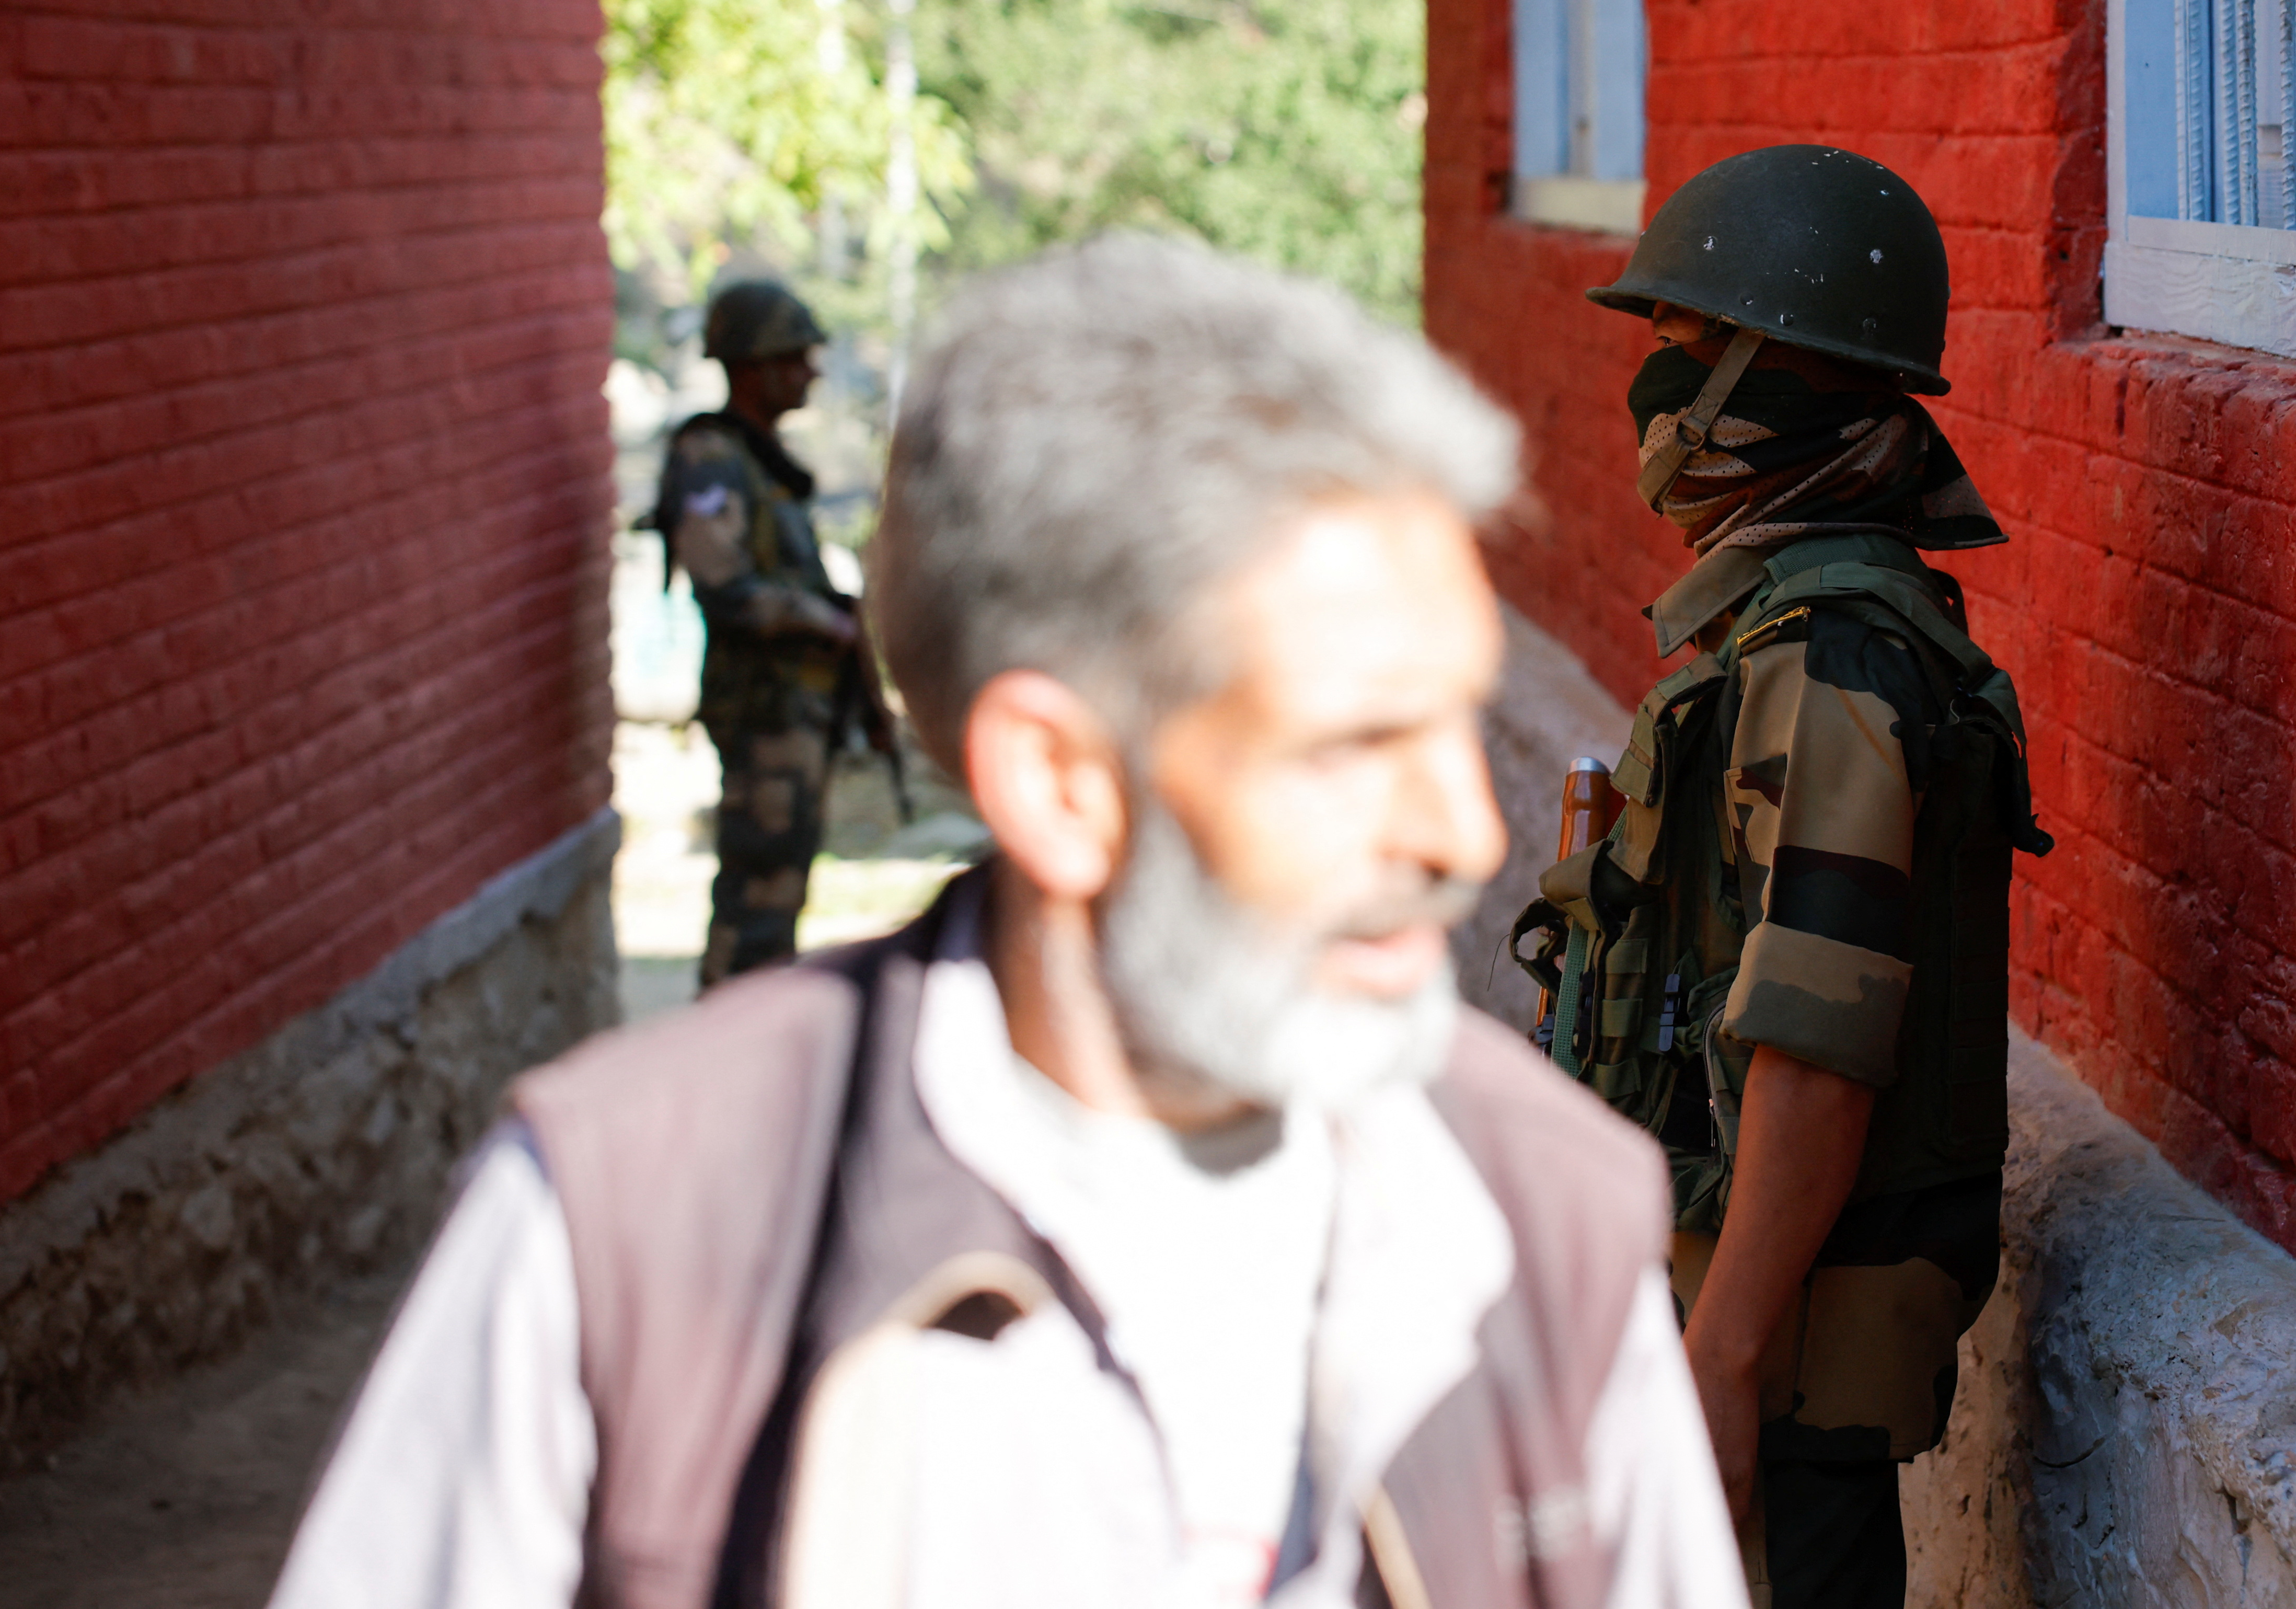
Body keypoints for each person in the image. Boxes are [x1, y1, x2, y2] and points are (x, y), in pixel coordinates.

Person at [270, 238, 1747, 1609]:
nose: (1463, 836)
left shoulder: (1542, 1218)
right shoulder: (626, 1225)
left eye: (1457, 722)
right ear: (1057, 783)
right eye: (1350, 746)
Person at [1524, 147, 2052, 1609]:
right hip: (1735, 1313)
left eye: (1688, 350)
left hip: (1777, 1352)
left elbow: (1815, 1044)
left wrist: (1722, 1360)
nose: (1653, 391)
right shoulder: (1789, 628)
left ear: (1788, 373)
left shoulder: (1831, 657)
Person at [652, 280, 873, 984]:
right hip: (762, 715)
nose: (811, 372)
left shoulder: (761, 462)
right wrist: (826, 623)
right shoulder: (714, 459)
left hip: (793, 715)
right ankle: (724, 1055)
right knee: (755, 907)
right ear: (755, 365)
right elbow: (728, 592)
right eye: (795, 356)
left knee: (777, 903)